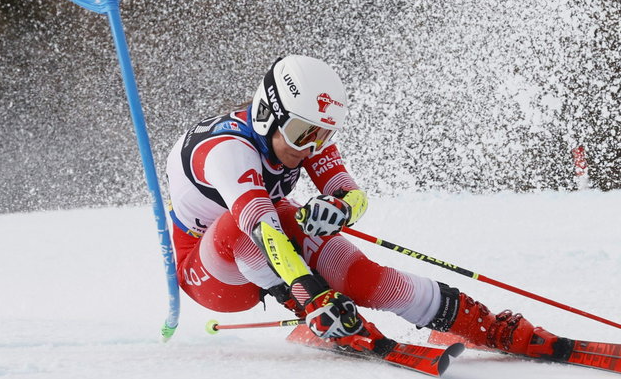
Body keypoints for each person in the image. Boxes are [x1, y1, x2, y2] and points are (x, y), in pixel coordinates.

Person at [165, 54, 572, 359]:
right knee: (248, 224)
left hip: (269, 244)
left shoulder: (302, 134)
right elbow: (260, 227)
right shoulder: (226, 152)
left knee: (361, 274)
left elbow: (352, 194)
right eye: (302, 133)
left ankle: (479, 323)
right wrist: (312, 295)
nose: (310, 147)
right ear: (267, 113)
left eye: (322, 135)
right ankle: (315, 309)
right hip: (214, 275)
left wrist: (339, 210)